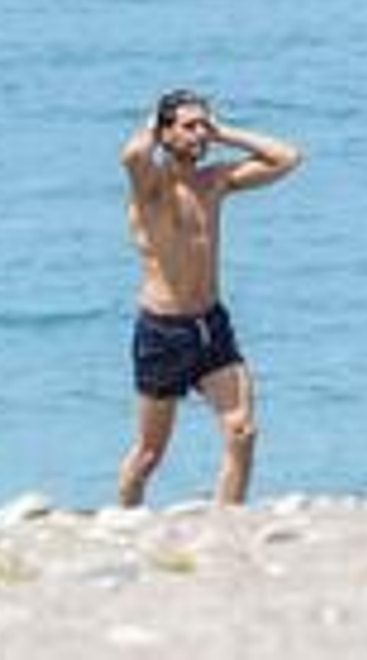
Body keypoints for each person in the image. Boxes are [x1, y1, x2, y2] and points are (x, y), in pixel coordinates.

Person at [118, 89, 301, 507]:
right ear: (164, 133)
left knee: (242, 431)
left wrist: (225, 133)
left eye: (204, 125)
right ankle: (124, 522)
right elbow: (131, 156)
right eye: (189, 126)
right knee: (148, 455)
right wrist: (153, 125)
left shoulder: (215, 181)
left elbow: (287, 157)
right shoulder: (152, 187)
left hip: (211, 325)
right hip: (163, 332)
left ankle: (227, 525)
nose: (200, 134)